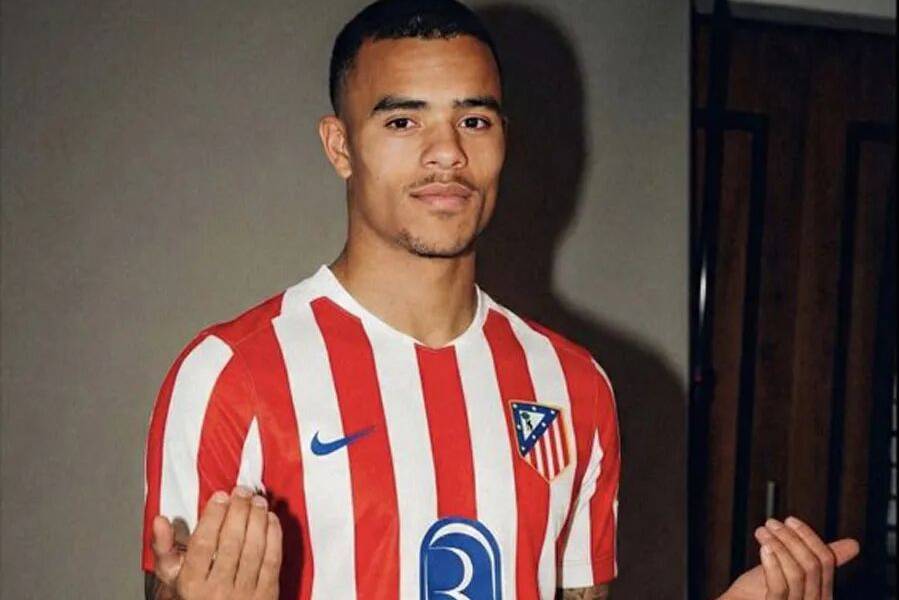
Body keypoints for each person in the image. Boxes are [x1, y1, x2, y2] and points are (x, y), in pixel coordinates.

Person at [141, 1, 859, 599]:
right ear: (340, 146)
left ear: (503, 140)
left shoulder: (574, 385)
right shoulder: (231, 374)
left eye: (474, 120)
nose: (447, 152)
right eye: (403, 121)